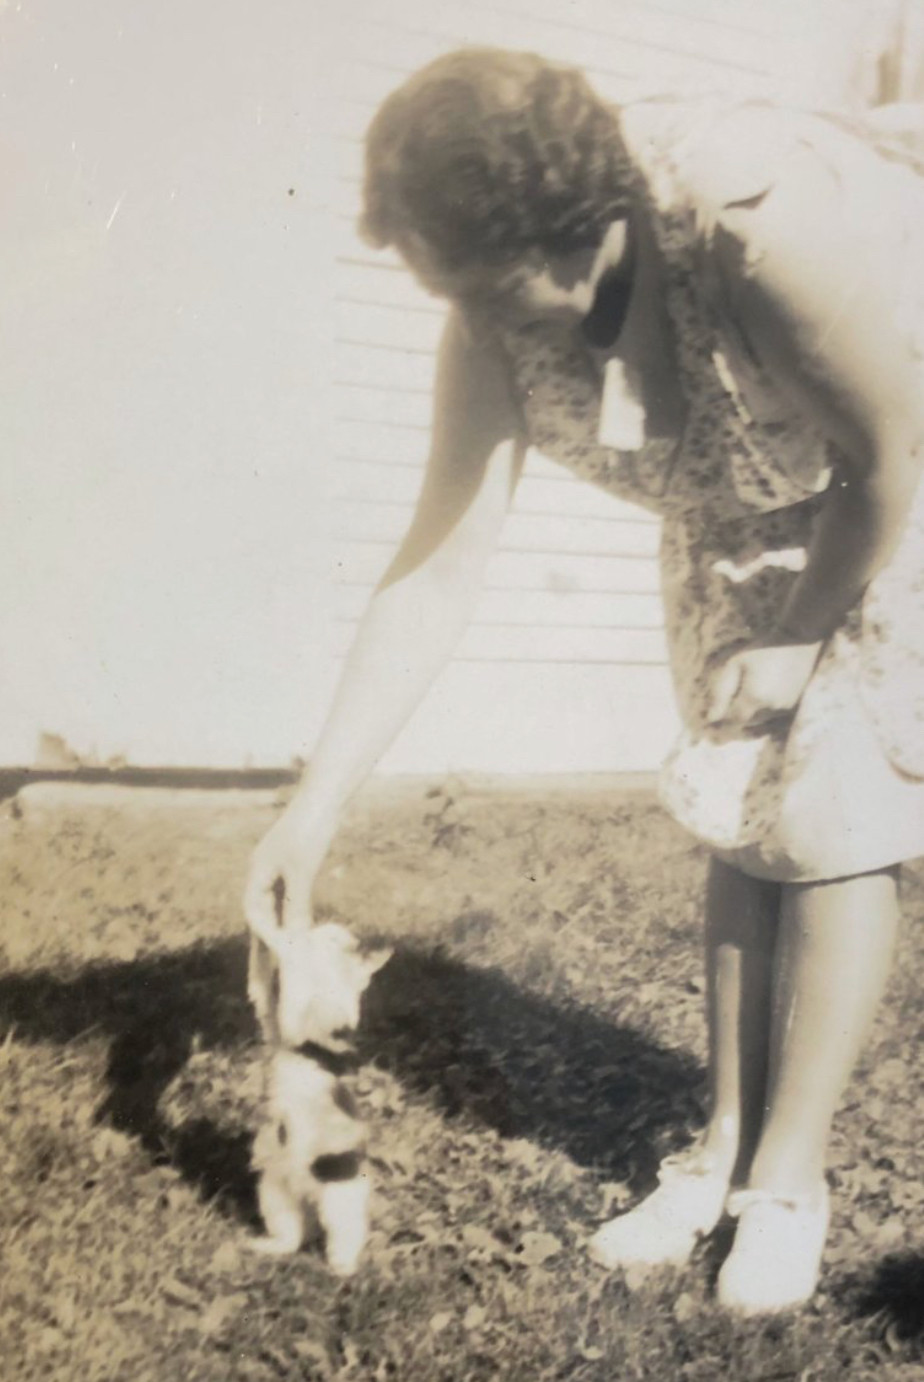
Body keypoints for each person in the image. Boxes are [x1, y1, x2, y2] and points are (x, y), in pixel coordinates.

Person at [244, 48, 924, 1314]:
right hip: (737, 501)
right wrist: (315, 801)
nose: (479, 319)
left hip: (889, 475)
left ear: (574, 234)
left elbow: (890, 449)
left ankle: (790, 1178)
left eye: (487, 287)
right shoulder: (499, 310)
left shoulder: (758, 235)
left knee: (835, 812)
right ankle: (720, 1149)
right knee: (738, 799)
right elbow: (439, 563)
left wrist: (798, 638)